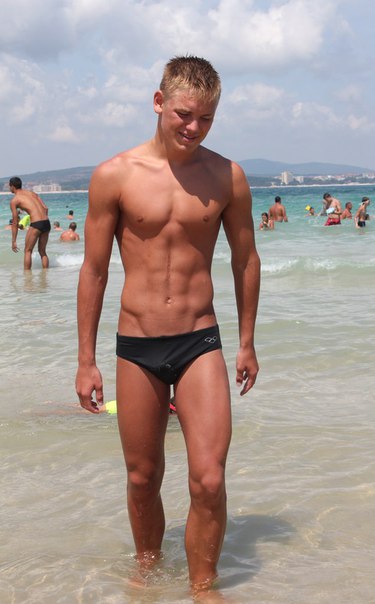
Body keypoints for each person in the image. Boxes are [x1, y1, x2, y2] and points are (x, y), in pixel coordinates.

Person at [75, 56, 260, 596]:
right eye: (184, 114)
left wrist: (248, 343)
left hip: (200, 340)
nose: (194, 127)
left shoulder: (227, 176)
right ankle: (149, 574)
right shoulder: (115, 175)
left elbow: (245, 260)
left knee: (209, 478)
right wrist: (86, 361)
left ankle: (204, 587)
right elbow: (94, 270)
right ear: (159, 103)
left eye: (206, 118)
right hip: (136, 345)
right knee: (142, 478)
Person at [9, 176, 50, 269]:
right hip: (46, 222)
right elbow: (46, 208)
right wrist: (42, 220)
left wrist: (14, 241)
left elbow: (15, 222)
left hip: (36, 224)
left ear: (12, 186)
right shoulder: (32, 193)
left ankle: (27, 276)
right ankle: (46, 274)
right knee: (42, 251)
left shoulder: (14, 200)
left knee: (27, 251)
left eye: (9, 186)